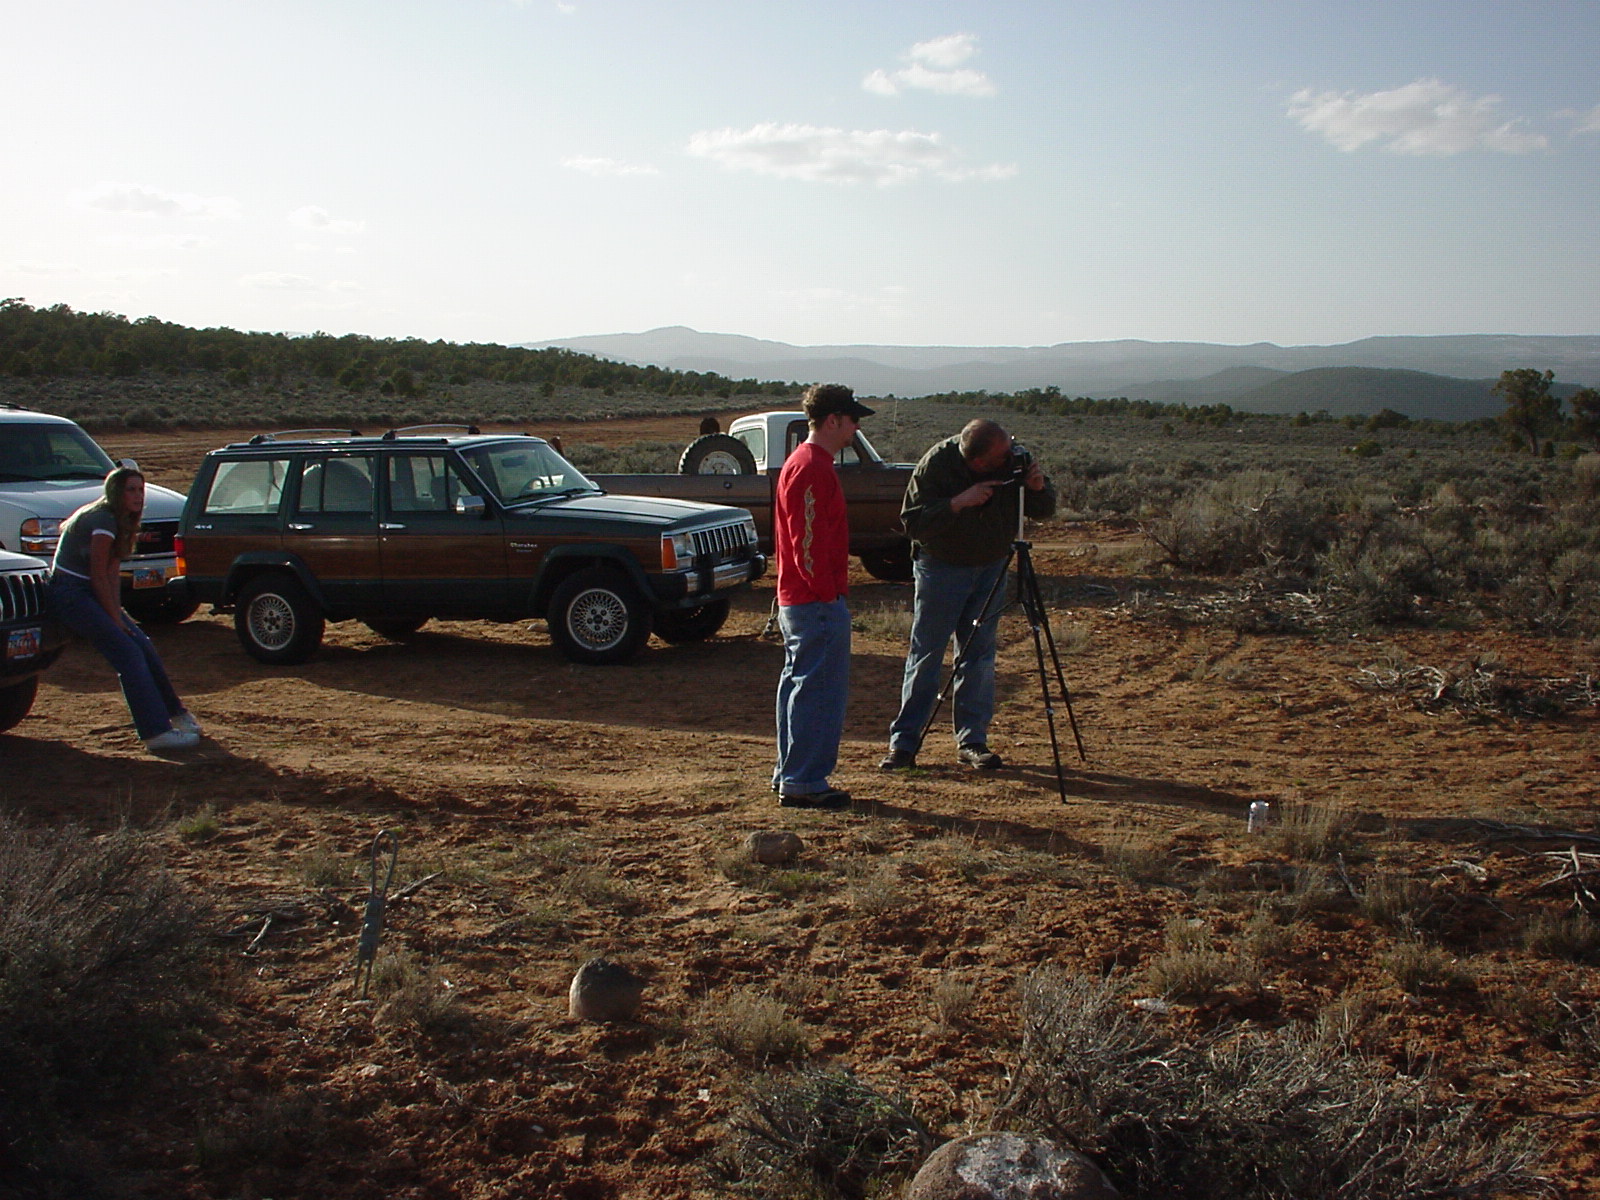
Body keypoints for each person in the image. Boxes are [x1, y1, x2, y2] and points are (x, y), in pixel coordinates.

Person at [879, 418, 1056, 772]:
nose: (1010, 457)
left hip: (991, 567)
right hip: (941, 568)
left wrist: (1037, 488)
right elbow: (912, 523)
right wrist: (957, 503)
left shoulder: (1015, 461)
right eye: (1001, 455)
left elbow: (1044, 508)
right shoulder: (937, 465)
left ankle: (972, 741)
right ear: (978, 462)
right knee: (927, 654)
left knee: (978, 655)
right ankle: (904, 744)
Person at [771, 383, 875, 809]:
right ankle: (804, 780)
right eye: (852, 420)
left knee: (800, 685)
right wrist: (828, 595)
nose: (855, 428)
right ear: (832, 420)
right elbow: (807, 543)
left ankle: (791, 773)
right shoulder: (812, 467)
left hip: (803, 599)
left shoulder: (805, 462)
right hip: (813, 602)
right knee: (818, 692)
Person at [49, 466, 201, 753]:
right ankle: (155, 733)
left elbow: (111, 574)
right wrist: (114, 619)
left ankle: (176, 714)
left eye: (140, 490)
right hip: (71, 593)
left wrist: (118, 612)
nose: (138, 496)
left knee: (143, 645)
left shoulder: (122, 521)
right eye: (130, 490)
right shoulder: (103, 520)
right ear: (116, 492)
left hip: (90, 592)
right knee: (128, 654)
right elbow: (97, 575)